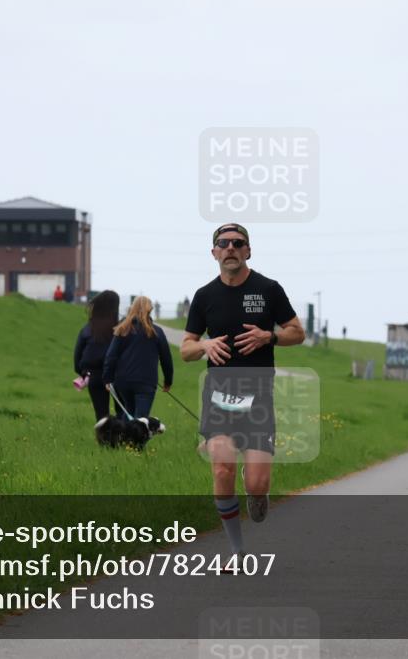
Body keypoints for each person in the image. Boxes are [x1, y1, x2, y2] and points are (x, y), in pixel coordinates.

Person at [180, 223, 306, 561]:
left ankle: (258, 494)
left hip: (258, 398)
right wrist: (204, 345)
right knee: (222, 469)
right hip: (219, 397)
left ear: (248, 251)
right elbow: (186, 349)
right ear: (214, 253)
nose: (231, 248)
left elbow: (298, 332)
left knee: (256, 484)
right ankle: (236, 549)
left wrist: (271, 337)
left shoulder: (268, 289)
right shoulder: (205, 296)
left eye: (238, 243)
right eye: (224, 243)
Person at [103, 296, 173, 420]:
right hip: (146, 383)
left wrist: (108, 379)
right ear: (150, 310)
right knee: (141, 419)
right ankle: (131, 439)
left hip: (123, 381)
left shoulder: (122, 329)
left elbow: (111, 356)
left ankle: (123, 438)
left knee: (129, 410)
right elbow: (166, 359)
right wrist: (168, 381)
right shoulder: (157, 332)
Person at [74, 291, 119, 421]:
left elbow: (77, 356)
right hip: (117, 375)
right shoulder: (120, 329)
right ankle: (123, 439)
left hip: (94, 375)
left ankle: (104, 439)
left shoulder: (87, 329)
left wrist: (83, 373)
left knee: (101, 414)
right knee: (122, 411)